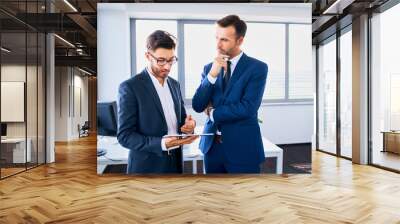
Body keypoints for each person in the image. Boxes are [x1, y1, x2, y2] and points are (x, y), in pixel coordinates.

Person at [192, 15, 268, 174]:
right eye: (216, 38)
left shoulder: (257, 68)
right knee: (214, 196)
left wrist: (213, 113)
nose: (218, 44)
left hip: (243, 149)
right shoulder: (209, 68)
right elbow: (198, 105)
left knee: (244, 196)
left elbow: (248, 107)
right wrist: (212, 75)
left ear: (240, 40)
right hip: (212, 148)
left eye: (224, 40)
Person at [118, 30, 197, 174]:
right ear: (148, 56)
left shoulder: (175, 85)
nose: (167, 67)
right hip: (147, 167)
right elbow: (125, 136)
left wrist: (189, 127)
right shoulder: (130, 87)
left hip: (176, 164)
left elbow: (182, 122)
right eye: (161, 60)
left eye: (171, 60)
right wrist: (161, 144)